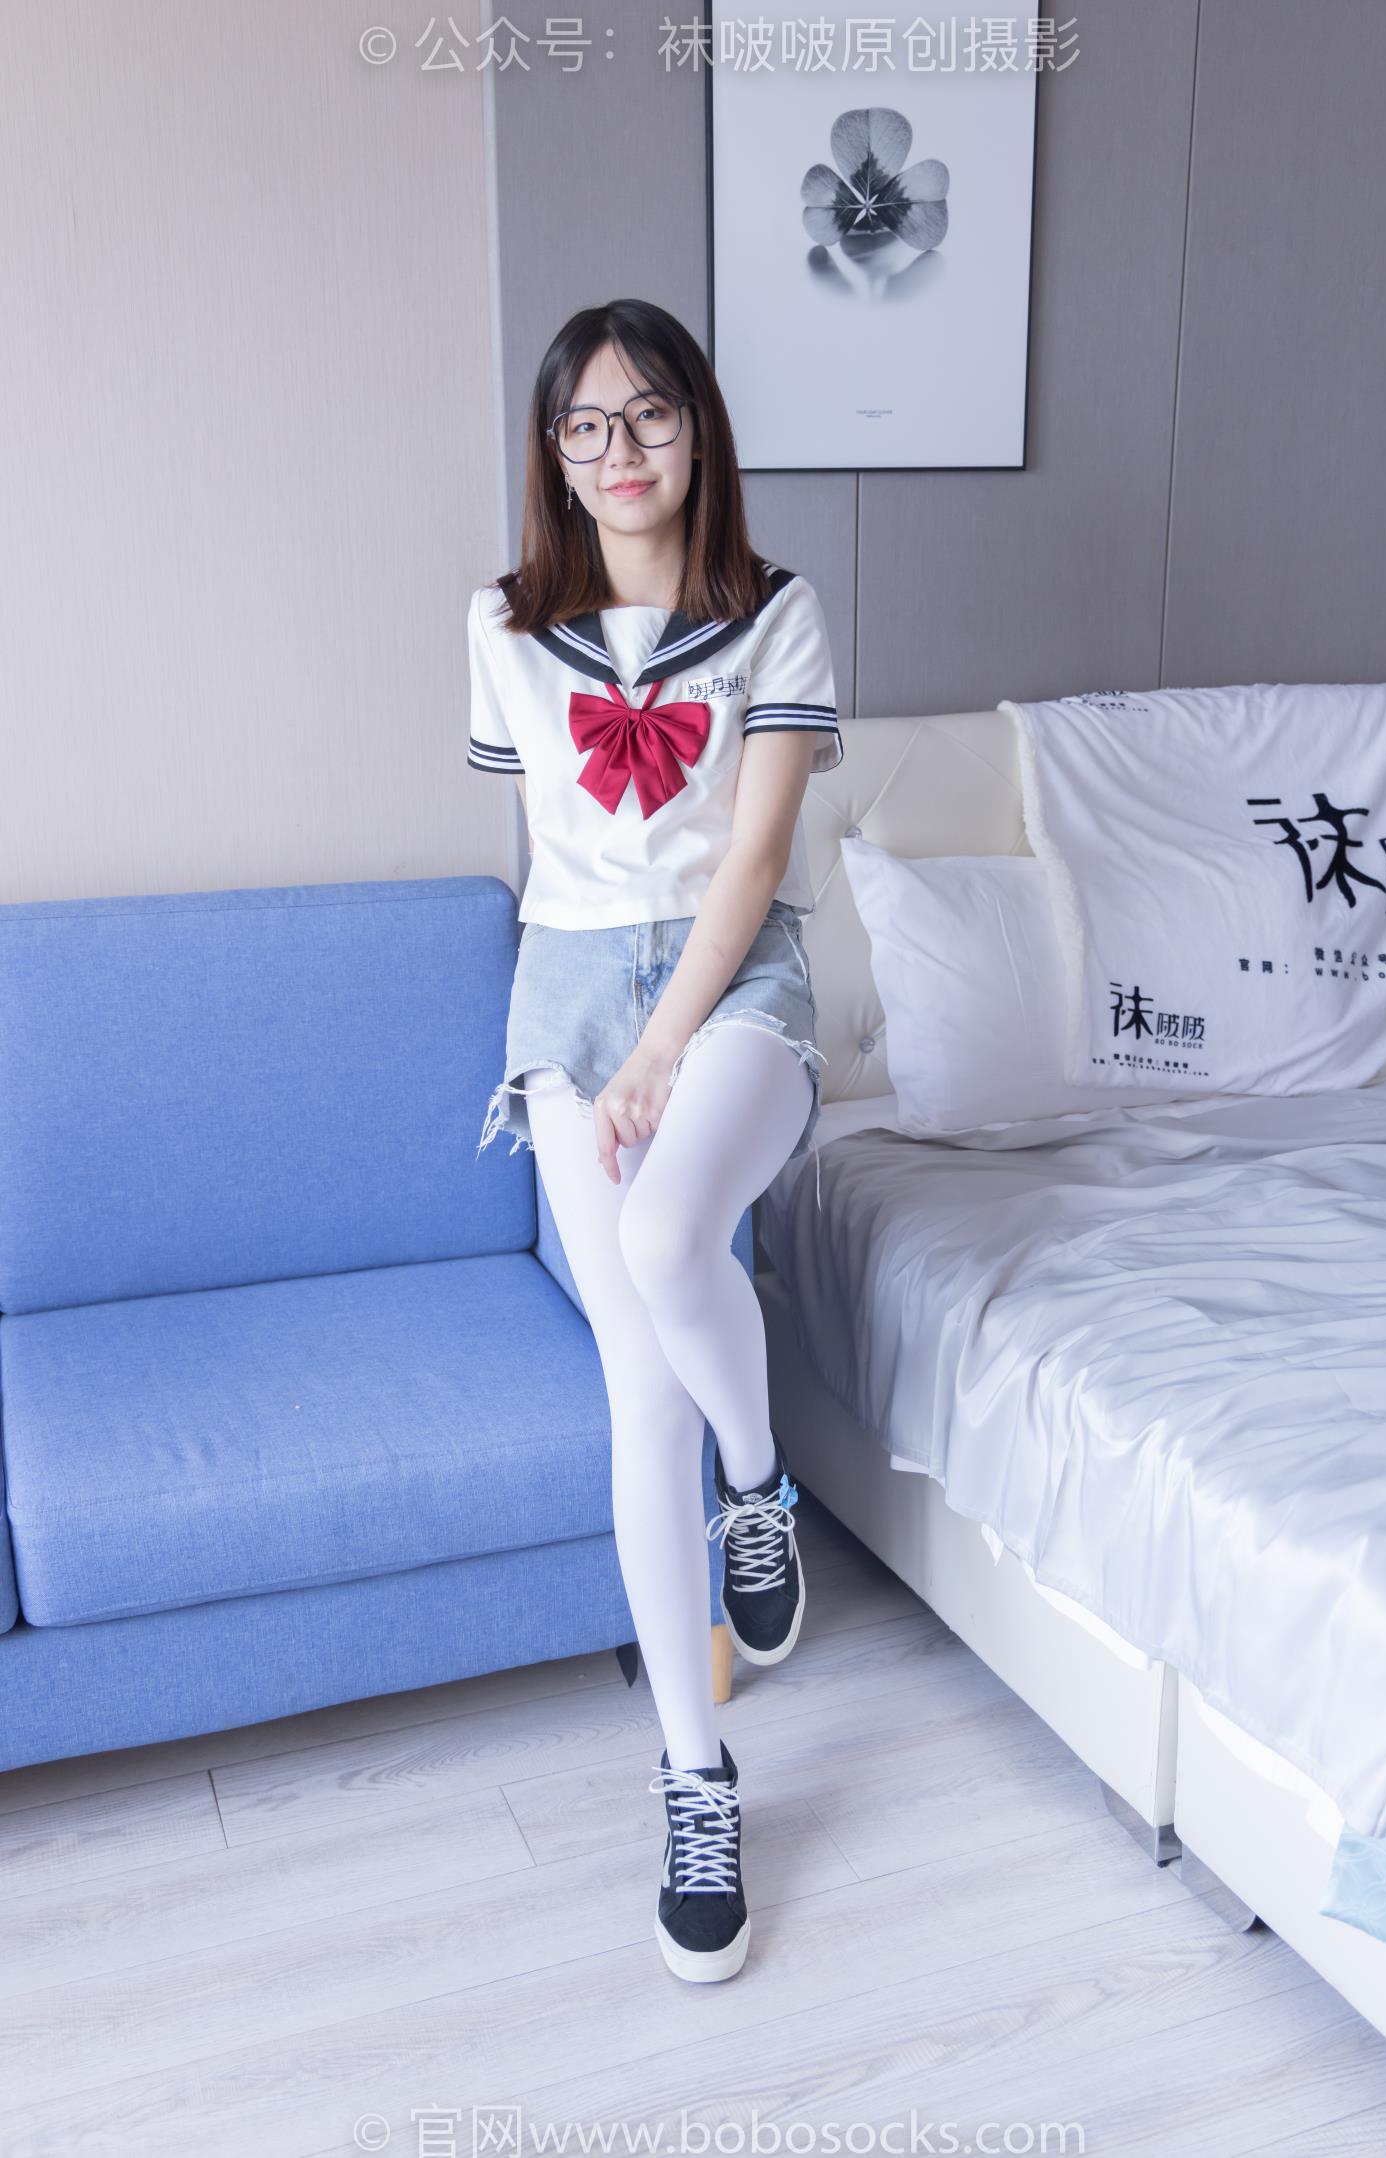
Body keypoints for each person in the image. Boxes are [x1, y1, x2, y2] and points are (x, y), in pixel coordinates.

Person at [467, 298, 843, 1984]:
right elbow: (554, 849)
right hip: (566, 997)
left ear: (702, 426)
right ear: (554, 453)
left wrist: (666, 1045)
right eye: (586, 425)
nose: (621, 451)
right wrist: (600, 1050)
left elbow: (748, 862)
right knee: (639, 1387)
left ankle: (758, 1481)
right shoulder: (499, 624)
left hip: (735, 977)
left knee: (672, 1233)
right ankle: (698, 1776)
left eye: (652, 415)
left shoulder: (778, 612)